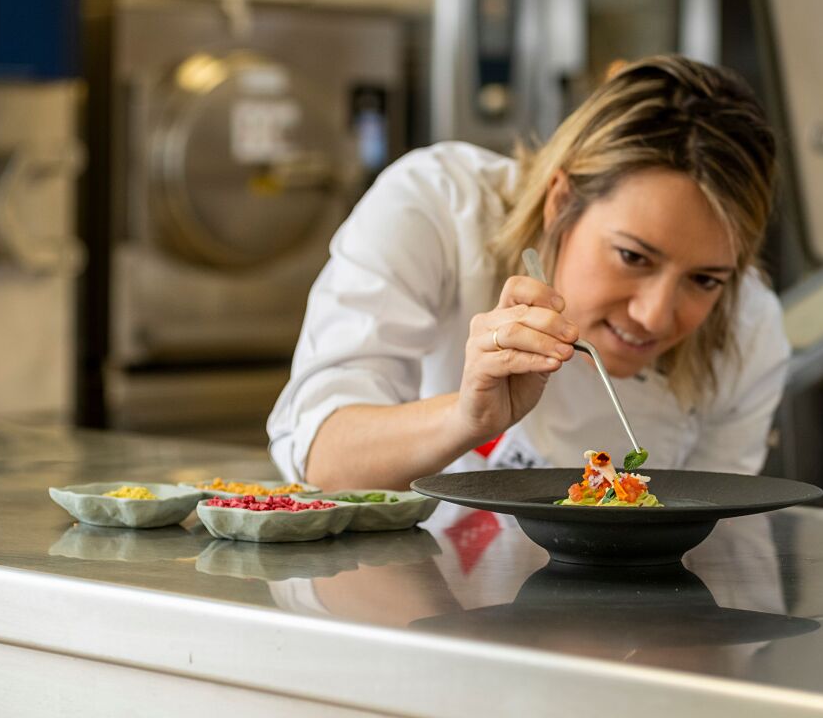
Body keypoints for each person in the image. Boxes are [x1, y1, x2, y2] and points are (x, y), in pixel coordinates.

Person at [267, 55, 788, 492]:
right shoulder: (436, 208)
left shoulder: (749, 328)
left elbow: (712, 536)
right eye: (633, 257)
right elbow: (321, 455)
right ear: (560, 202)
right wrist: (465, 419)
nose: (653, 316)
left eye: (705, 280)